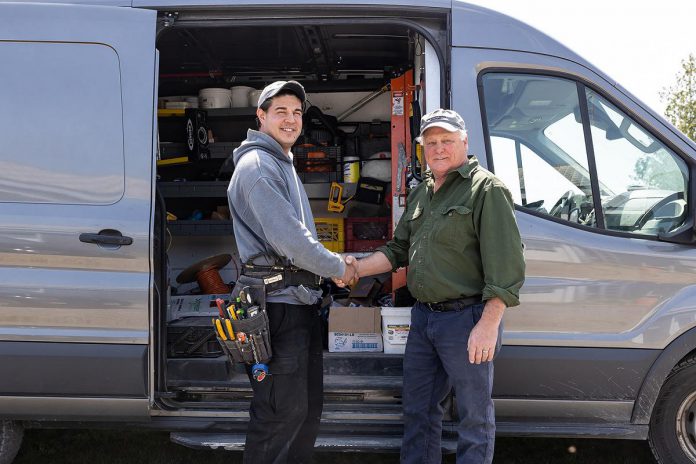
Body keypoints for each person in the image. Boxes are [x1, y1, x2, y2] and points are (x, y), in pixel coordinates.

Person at [336, 109, 525, 463]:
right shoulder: (422, 191)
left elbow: (507, 266)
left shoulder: (486, 190)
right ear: (422, 147)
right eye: (431, 142)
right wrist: (355, 268)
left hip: (467, 319)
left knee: (474, 417)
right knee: (419, 411)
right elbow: (397, 251)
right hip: (424, 320)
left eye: (447, 141)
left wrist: (488, 324)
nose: (439, 148)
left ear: (464, 142)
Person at [227, 80, 357, 464]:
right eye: (280, 111)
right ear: (261, 116)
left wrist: (334, 266)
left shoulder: (280, 161)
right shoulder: (259, 168)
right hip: (277, 309)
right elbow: (293, 244)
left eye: (297, 112)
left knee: (305, 411)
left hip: (296, 306)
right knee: (280, 414)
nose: (291, 119)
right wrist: (339, 267)